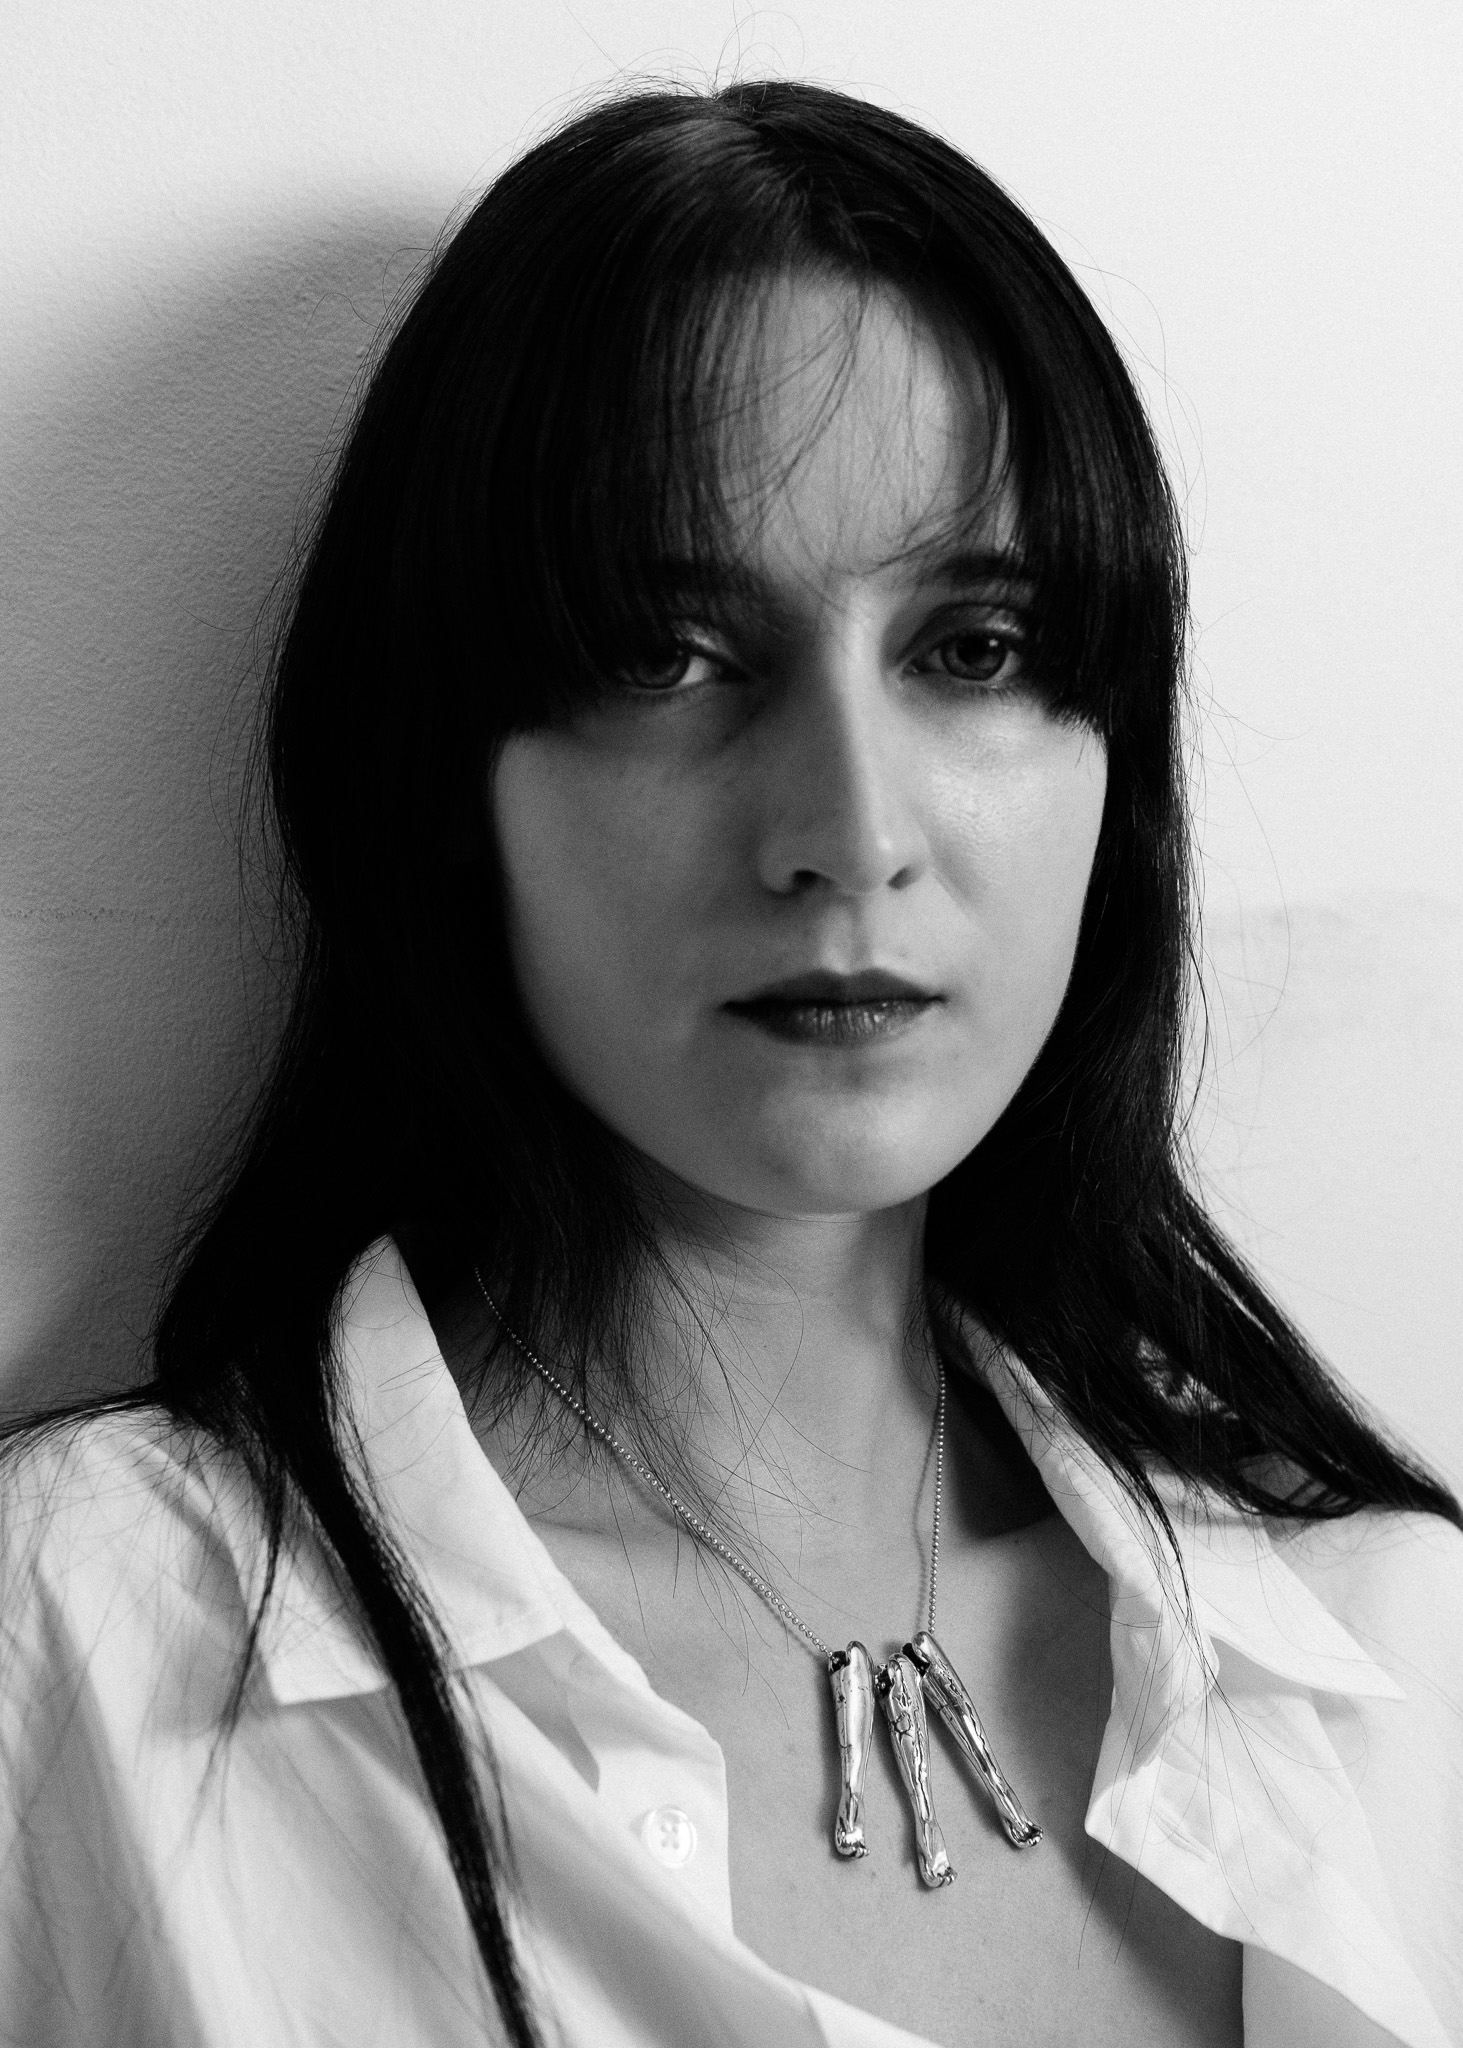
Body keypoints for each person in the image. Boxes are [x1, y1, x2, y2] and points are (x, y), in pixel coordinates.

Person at [2, 78, 1460, 2048]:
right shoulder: (80, 1654)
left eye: (976, 648)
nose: (847, 831)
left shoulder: (1391, 1639)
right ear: (446, 770)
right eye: (669, 654)